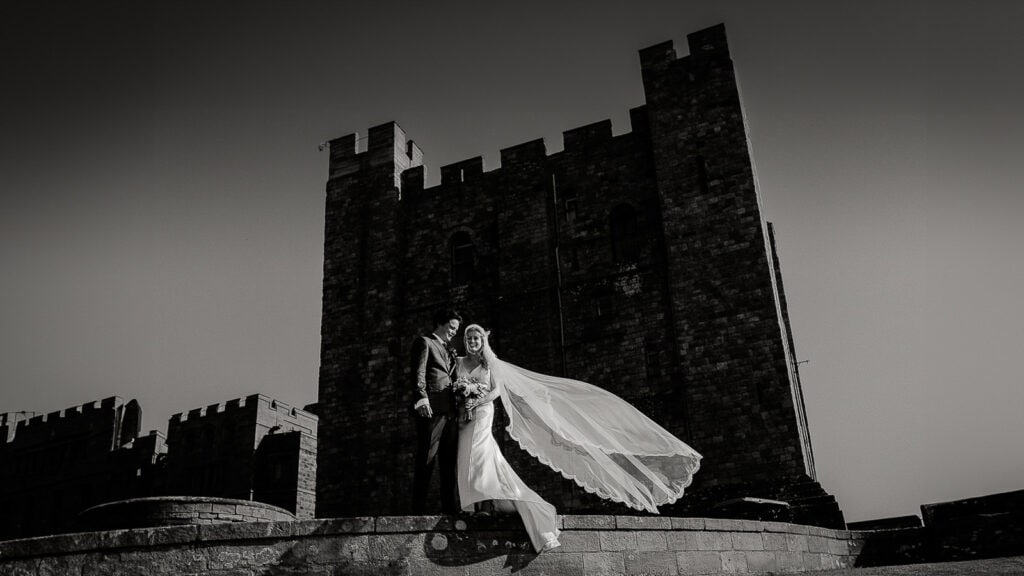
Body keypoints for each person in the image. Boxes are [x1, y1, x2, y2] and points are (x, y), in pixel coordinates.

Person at [454, 324, 703, 554]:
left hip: (483, 412)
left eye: (476, 338)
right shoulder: (459, 362)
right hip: (465, 417)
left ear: (483, 341)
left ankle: (485, 504)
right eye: (469, 338)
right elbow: (454, 385)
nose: (472, 341)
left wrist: (479, 399)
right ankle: (476, 501)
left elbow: (498, 389)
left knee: (480, 453)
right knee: (468, 456)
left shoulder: (491, 365)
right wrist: (463, 396)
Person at [411, 308, 463, 515]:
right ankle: (417, 510)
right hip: (431, 410)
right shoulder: (425, 342)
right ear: (440, 324)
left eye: (456, 329)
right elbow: (419, 373)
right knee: (427, 458)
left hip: (451, 412)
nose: (453, 332)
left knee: (448, 462)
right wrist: (421, 397)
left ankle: (450, 509)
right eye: (451, 327)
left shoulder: (449, 349)